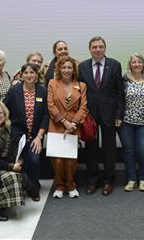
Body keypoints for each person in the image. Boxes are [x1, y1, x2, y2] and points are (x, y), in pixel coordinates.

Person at [78, 36, 124, 196]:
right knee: (91, 148)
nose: (97, 49)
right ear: (89, 49)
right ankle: (92, 180)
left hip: (110, 113)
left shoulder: (115, 65)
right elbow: (79, 92)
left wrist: (119, 114)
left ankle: (109, 180)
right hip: (89, 114)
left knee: (109, 148)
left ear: (105, 48)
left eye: (100, 47)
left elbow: (120, 92)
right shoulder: (82, 67)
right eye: (94, 47)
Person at [4, 63, 49, 201]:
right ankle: (24, 186)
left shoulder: (43, 91)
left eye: (32, 72)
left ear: (36, 75)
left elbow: (46, 115)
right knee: (20, 161)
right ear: (21, 75)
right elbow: (5, 111)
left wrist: (39, 136)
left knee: (34, 160)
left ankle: (34, 187)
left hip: (36, 135)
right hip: (18, 135)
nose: (29, 75)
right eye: (26, 73)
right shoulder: (13, 91)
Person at [47, 56, 88, 198]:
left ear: (74, 69)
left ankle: (71, 185)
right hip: (57, 124)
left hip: (73, 126)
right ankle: (59, 185)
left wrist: (74, 124)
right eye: (64, 67)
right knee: (57, 160)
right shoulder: (52, 83)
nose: (66, 70)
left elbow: (83, 107)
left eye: (69, 67)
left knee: (71, 159)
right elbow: (50, 105)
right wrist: (64, 122)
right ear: (59, 69)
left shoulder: (81, 86)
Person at [120, 53, 144, 192]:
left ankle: (143, 179)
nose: (137, 64)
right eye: (134, 62)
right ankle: (131, 179)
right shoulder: (125, 80)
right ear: (130, 64)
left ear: (143, 64)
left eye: (139, 61)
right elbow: (120, 99)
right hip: (127, 122)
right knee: (129, 152)